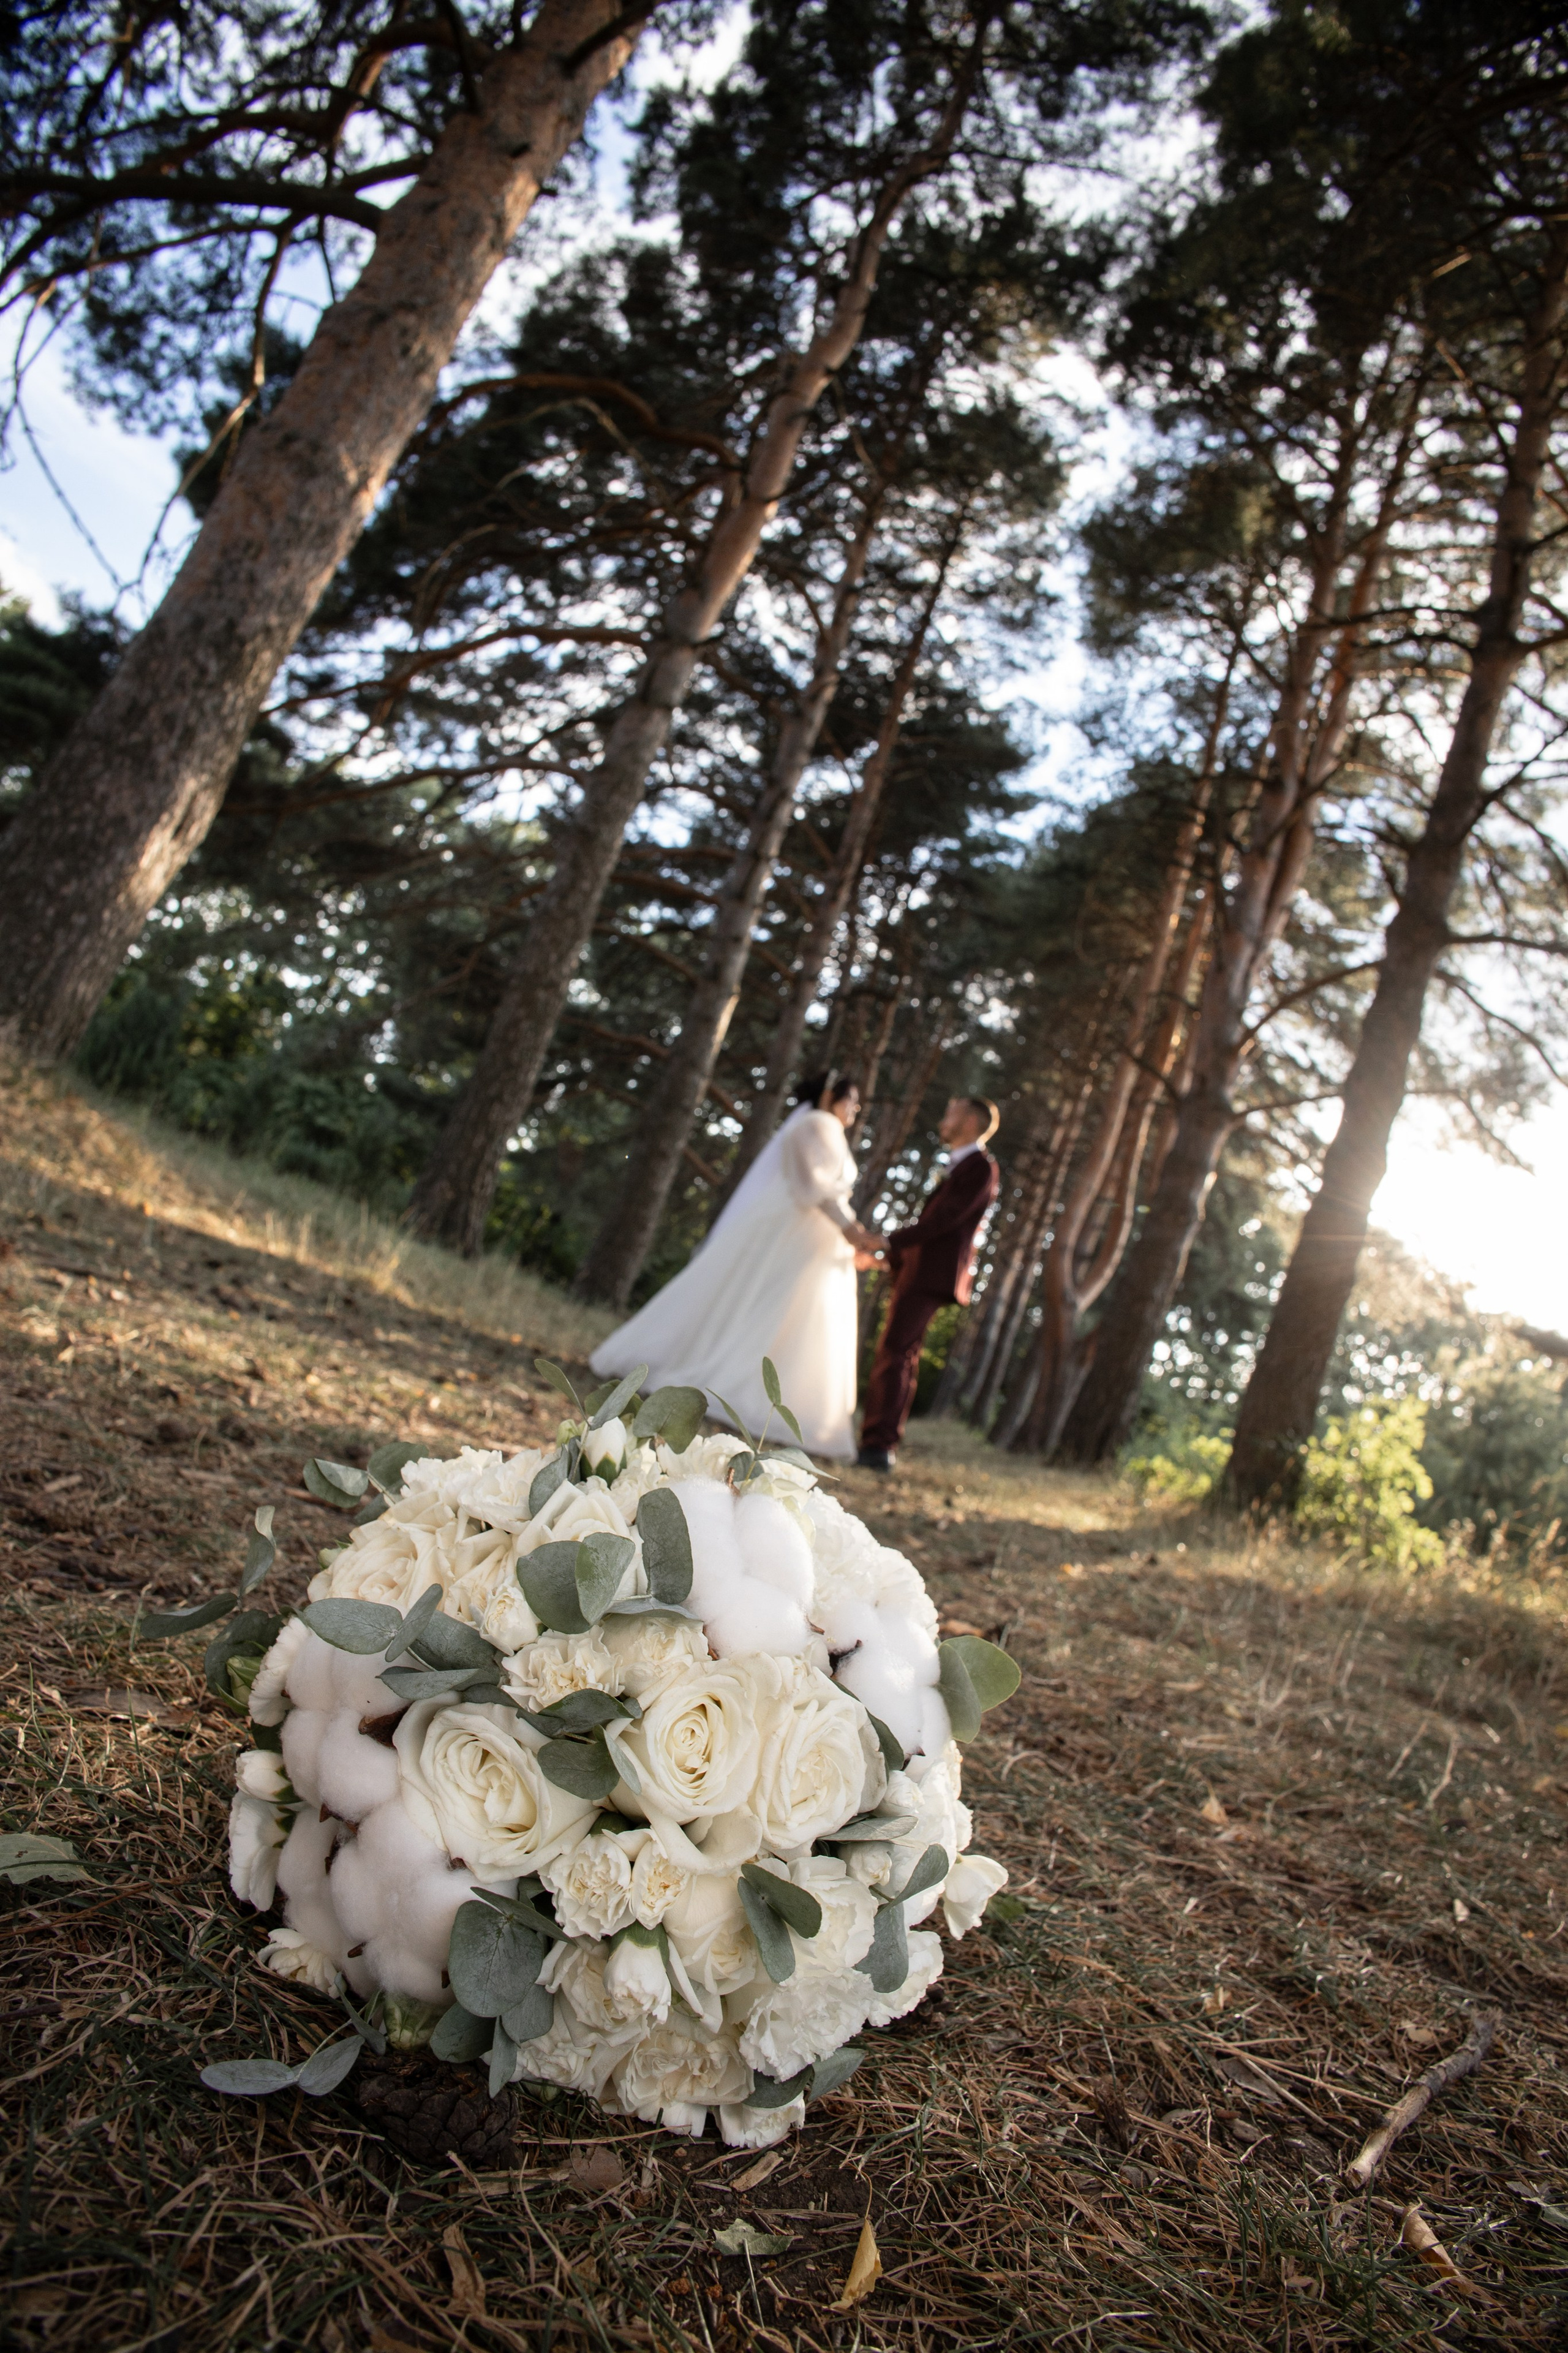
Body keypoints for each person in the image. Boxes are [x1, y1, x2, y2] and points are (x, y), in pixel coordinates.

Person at [589, 1071, 882, 1461]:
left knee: (786, 1314)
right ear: (831, 1095)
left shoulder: (820, 1127)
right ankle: (742, 1387)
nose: (856, 1109)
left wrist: (852, 1234)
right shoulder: (816, 1124)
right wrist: (852, 1231)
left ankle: (777, 1395)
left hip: (813, 1235)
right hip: (795, 1233)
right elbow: (812, 1187)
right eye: (852, 1099)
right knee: (774, 1308)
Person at [856, 1096, 1001, 1471]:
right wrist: (887, 1258)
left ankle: (878, 1447)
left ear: (970, 1122)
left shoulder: (981, 1168)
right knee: (897, 1352)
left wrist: (888, 1241)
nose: (943, 1120)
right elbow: (932, 1231)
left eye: (951, 1114)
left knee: (896, 1353)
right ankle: (878, 1443)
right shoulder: (960, 1166)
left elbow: (946, 1222)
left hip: (931, 1276)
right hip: (917, 1271)